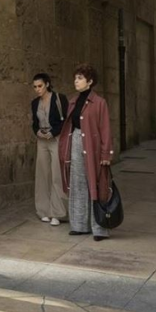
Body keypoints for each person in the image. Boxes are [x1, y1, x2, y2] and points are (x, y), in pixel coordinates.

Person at [58, 64, 114, 242]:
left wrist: (106, 154)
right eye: (75, 78)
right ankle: (79, 225)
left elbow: (105, 129)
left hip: (93, 146)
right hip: (76, 142)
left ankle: (99, 228)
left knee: (97, 185)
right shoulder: (73, 101)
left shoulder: (99, 102)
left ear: (90, 82)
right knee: (77, 183)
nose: (76, 81)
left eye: (80, 78)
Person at [31, 73, 69, 226]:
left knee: (56, 174)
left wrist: (53, 133)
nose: (37, 89)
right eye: (35, 87)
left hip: (56, 138)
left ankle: (58, 212)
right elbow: (34, 123)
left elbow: (66, 120)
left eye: (40, 86)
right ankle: (43, 211)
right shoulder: (35, 103)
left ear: (47, 84)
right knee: (42, 174)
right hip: (42, 140)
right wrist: (37, 132)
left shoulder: (59, 99)